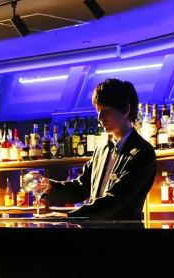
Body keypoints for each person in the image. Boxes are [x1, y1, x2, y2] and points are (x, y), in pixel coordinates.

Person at [33, 78, 156, 221]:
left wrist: (69, 216)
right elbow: (80, 188)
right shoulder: (102, 150)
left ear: (125, 109)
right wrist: (50, 186)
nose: (99, 117)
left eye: (105, 111)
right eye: (98, 111)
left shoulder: (142, 152)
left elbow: (115, 201)